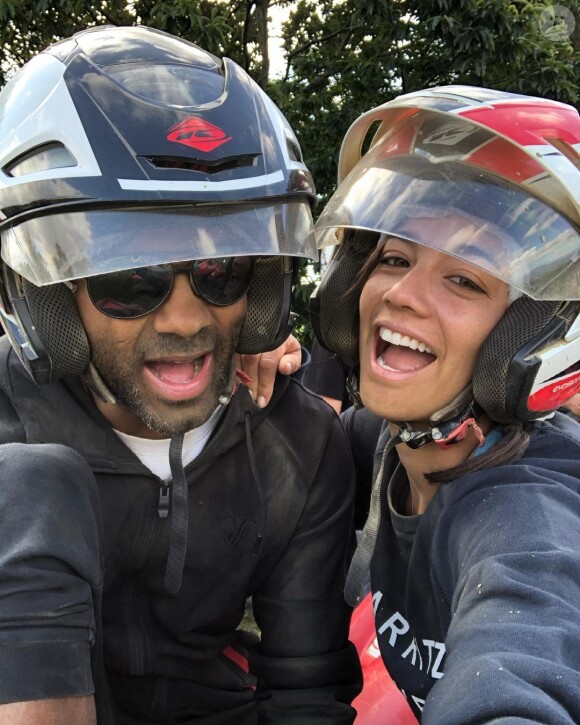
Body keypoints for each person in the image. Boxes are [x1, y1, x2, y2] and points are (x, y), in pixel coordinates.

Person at [0, 26, 361, 725]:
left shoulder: (299, 444)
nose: (185, 318)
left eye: (220, 272)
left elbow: (305, 695)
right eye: (132, 279)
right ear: (49, 294)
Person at [264, 85, 580, 721]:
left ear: (536, 330)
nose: (402, 293)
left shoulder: (529, 515)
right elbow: (304, 446)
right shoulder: (390, 442)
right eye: (394, 257)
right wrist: (249, 380)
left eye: (464, 277)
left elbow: (525, 658)